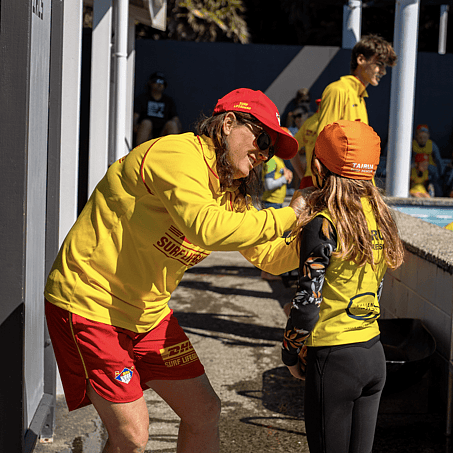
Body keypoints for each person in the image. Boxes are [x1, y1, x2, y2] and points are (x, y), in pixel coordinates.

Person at [44, 87, 306, 453]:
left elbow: (270, 257)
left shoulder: (229, 191)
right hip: (91, 303)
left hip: (147, 313)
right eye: (262, 140)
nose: (263, 155)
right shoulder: (177, 155)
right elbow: (206, 228)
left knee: (203, 411)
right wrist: (289, 215)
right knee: (132, 436)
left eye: (270, 151)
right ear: (228, 123)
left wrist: (321, 242)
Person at [281, 120, 404, 453]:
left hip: (333, 360)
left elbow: (307, 305)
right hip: (373, 353)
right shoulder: (382, 218)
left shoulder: (324, 224)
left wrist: (289, 353)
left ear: (318, 168)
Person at [316, 34, 397, 138]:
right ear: (361, 59)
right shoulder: (338, 90)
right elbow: (323, 138)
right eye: (379, 64)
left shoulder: (360, 97)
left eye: (384, 66)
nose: (383, 72)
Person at [260, 154, 293, 281]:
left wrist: (287, 174)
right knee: (271, 239)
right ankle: (267, 272)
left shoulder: (278, 160)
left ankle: (269, 270)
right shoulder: (272, 161)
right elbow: (268, 184)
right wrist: (285, 178)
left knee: (274, 238)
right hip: (271, 204)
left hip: (276, 203)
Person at [133, 71, 182, 146]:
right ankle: (140, 150)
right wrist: (134, 127)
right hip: (147, 134)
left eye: (162, 82)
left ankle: (174, 149)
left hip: (162, 134)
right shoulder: (142, 99)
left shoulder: (168, 101)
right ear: (150, 83)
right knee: (146, 123)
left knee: (172, 124)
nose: (159, 84)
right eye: (156, 81)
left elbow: (175, 119)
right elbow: (135, 117)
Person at [291, 98, 322, 190]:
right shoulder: (338, 121)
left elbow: (292, 148)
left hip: (310, 177)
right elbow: (292, 148)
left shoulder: (309, 122)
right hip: (329, 179)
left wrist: (302, 176)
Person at [412, 124, 444, 197]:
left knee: (436, 186)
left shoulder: (431, 145)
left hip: (429, 169)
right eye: (420, 137)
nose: (422, 139)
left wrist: (441, 174)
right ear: (416, 136)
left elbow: (438, 160)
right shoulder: (412, 144)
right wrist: (415, 165)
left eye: (425, 137)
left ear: (428, 136)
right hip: (416, 168)